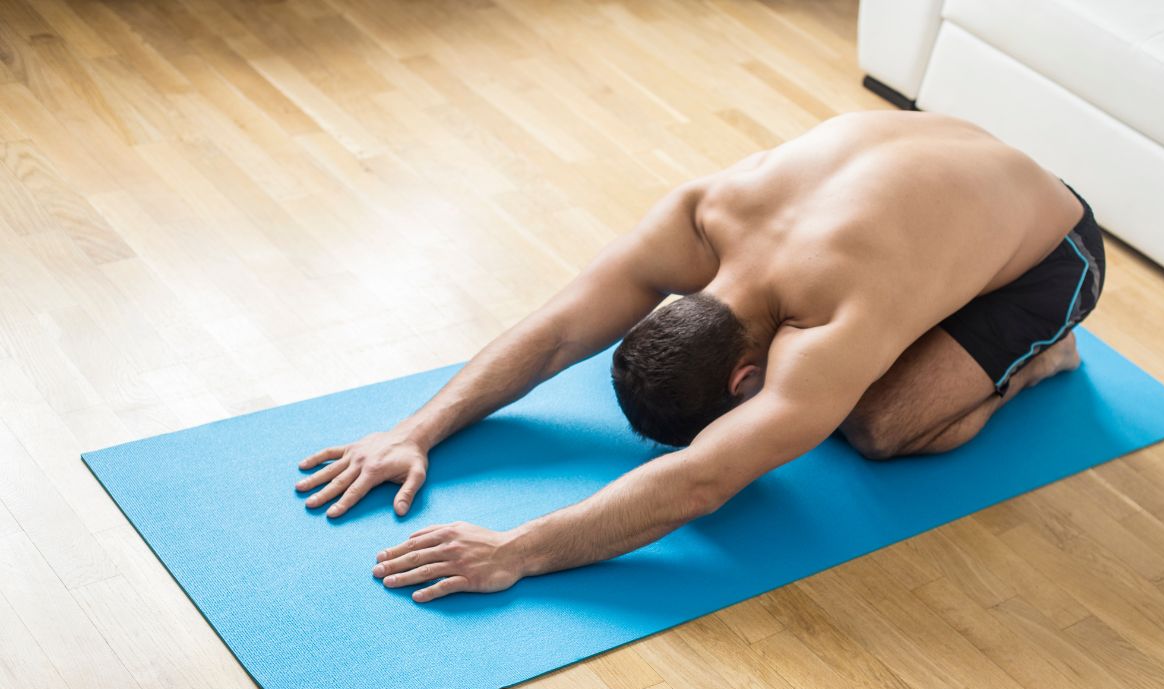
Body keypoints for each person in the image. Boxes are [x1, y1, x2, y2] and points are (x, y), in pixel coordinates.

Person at [294, 110, 1104, 602]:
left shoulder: (826, 320)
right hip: (957, 175)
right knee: (852, 386)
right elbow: (556, 331)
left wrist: (515, 551)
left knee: (880, 426)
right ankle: (953, 297)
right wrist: (416, 429)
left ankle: (1040, 358)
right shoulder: (701, 218)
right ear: (670, 308)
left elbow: (706, 478)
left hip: (1052, 245)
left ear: (745, 378)